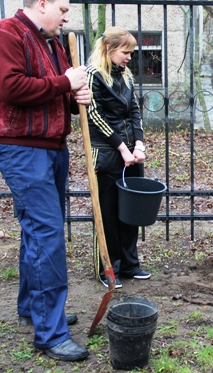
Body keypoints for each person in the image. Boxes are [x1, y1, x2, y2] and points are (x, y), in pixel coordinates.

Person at [0, 0, 91, 361]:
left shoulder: (52, 42)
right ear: (42, 4)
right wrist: (64, 82)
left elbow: (59, 90)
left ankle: (34, 308)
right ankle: (50, 333)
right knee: (47, 234)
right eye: (62, 9)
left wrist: (77, 92)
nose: (65, 18)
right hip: (21, 149)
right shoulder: (2, 35)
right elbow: (12, 88)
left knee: (37, 230)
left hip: (52, 147)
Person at [85, 27, 151, 288]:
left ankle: (130, 265)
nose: (129, 58)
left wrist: (139, 145)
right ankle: (108, 268)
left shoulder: (125, 76)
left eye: (131, 52)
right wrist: (121, 147)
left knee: (130, 210)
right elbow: (94, 115)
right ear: (108, 49)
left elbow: (134, 111)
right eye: (125, 52)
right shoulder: (93, 75)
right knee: (108, 212)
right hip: (105, 153)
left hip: (130, 154)